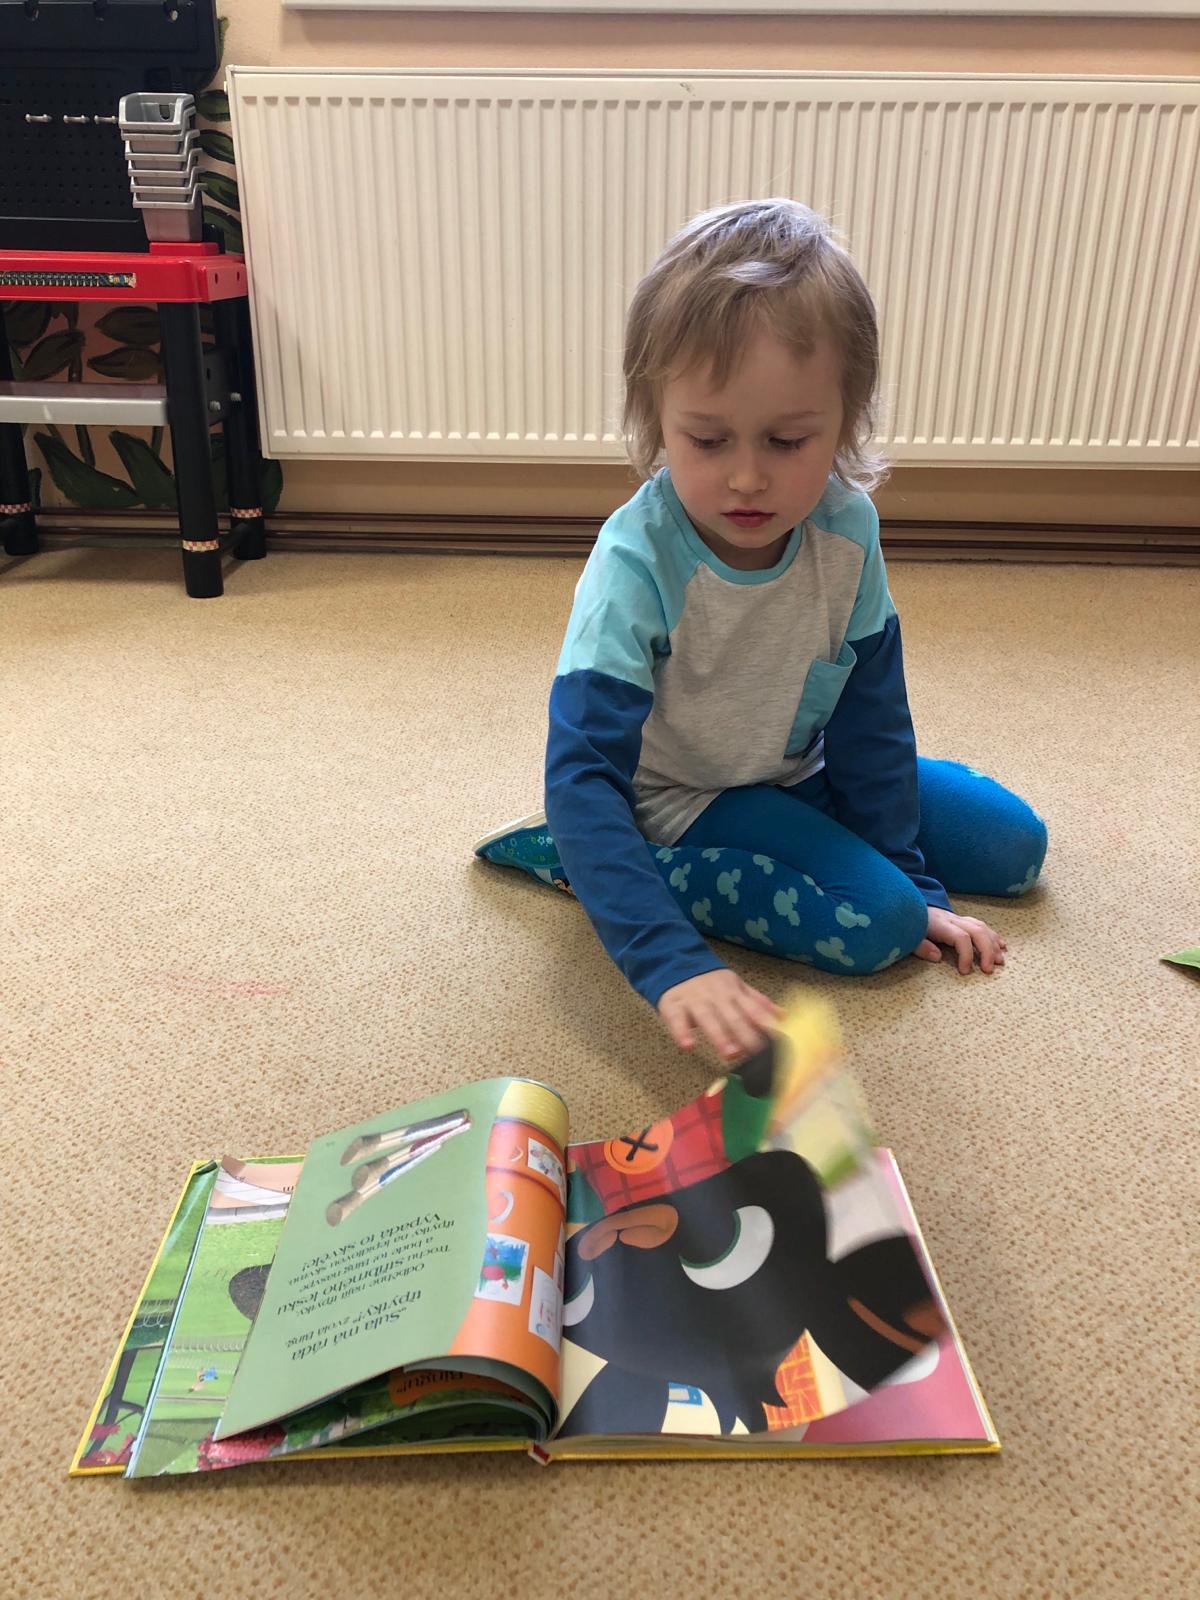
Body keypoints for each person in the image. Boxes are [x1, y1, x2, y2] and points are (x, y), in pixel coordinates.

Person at [476, 199, 1047, 1062]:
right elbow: (584, 773)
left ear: (846, 421)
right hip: (684, 798)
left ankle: (872, 865)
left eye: (786, 440)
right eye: (707, 440)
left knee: (1015, 850)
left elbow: (871, 721)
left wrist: (916, 873)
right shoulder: (636, 562)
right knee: (879, 922)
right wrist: (671, 960)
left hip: (799, 768)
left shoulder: (848, 531)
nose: (747, 478)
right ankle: (581, 863)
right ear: (657, 420)